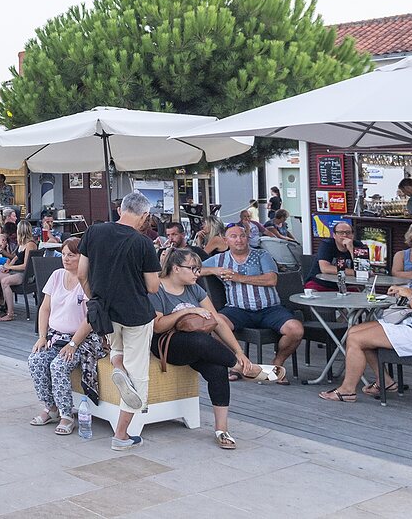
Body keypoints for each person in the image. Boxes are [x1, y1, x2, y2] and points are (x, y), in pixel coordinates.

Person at [152, 248, 272, 449]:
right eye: (192, 268)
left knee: (217, 369)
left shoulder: (194, 288)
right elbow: (158, 325)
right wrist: (188, 311)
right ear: (175, 268)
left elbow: (217, 320)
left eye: (198, 269)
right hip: (167, 343)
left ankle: (221, 429)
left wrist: (239, 351)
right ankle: (242, 369)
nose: (197, 273)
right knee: (199, 341)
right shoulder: (157, 289)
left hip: (198, 344)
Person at [320, 246, 412, 404]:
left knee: (356, 339)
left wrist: (410, 296)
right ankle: (385, 382)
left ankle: (347, 390)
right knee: (354, 331)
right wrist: (406, 292)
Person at [77, 190, 161, 451]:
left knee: (117, 350)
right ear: (144, 215)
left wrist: (97, 298)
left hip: (105, 312)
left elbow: (82, 275)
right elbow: (153, 287)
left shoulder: (93, 232)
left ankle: (118, 369)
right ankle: (121, 435)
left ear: (120, 209)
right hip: (136, 314)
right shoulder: (143, 243)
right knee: (139, 374)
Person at [203, 222, 302, 382]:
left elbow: (271, 279)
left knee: (296, 330)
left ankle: (276, 365)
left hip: (269, 309)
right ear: (225, 240)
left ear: (247, 238)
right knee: (215, 324)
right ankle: (240, 363)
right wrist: (213, 270)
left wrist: (239, 277)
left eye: (242, 236)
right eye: (233, 236)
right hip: (238, 310)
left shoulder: (261, 255)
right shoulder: (219, 259)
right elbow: (193, 269)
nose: (239, 240)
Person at [28, 236, 108, 435]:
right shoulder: (56, 275)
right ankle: (51, 407)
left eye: (71, 255)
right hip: (56, 336)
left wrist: (73, 343)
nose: (66, 259)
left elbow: (91, 318)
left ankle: (66, 414)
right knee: (36, 360)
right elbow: (45, 308)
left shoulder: (89, 280)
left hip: (82, 340)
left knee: (58, 365)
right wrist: (42, 336)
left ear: (82, 257)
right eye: (63, 254)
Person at [0, 222, 37, 322]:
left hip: (24, 274)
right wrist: (8, 266)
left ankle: (10, 313)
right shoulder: (21, 244)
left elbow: (25, 265)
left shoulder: (30, 244)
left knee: (5, 281)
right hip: (15, 271)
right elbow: (15, 257)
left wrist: (10, 267)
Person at [304, 221, 368, 291]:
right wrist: (355, 273)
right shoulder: (326, 244)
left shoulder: (359, 245)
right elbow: (325, 269)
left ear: (352, 235)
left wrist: (351, 249)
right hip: (321, 283)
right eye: (340, 232)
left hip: (347, 285)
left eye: (348, 232)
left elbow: (364, 270)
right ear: (334, 235)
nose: (344, 235)